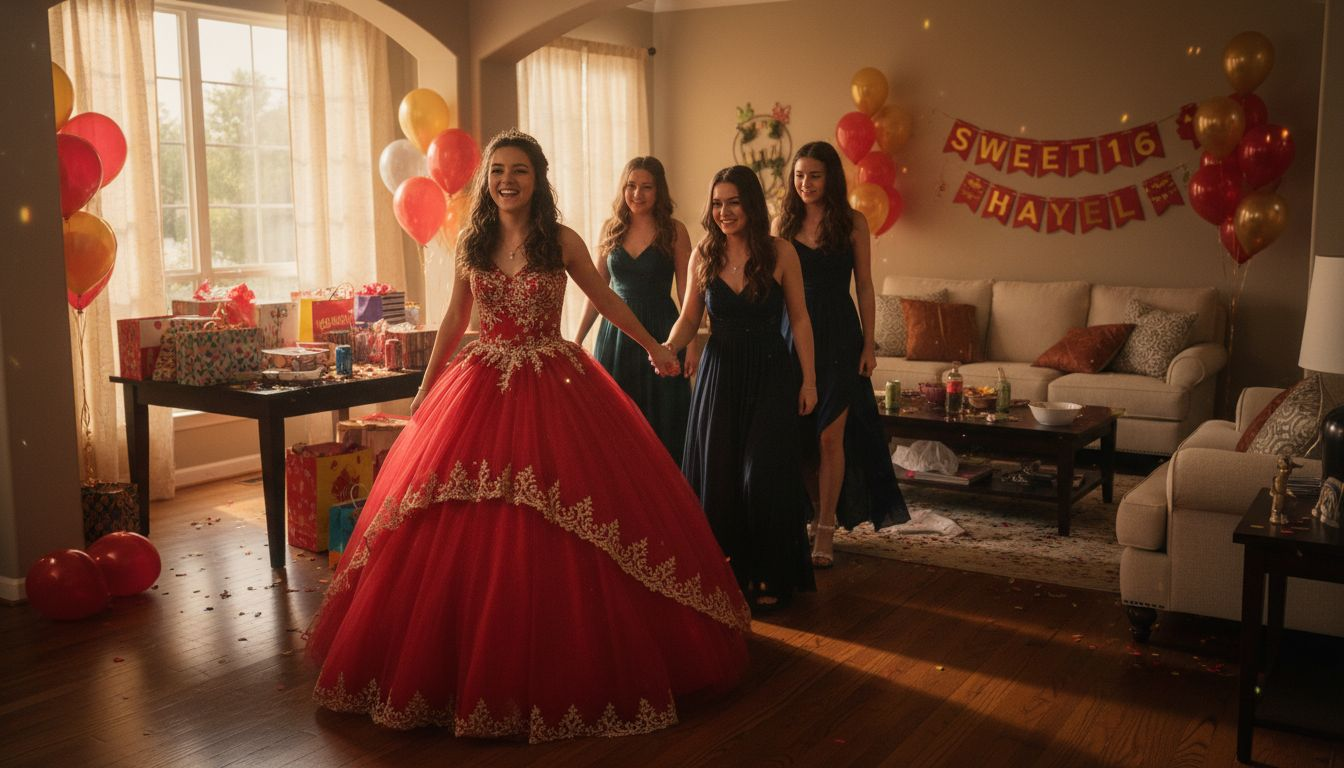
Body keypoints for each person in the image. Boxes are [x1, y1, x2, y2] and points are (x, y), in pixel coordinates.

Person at [305, 130, 750, 741]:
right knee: (457, 520)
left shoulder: (561, 242)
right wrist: (424, 392)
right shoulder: (473, 241)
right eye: (497, 172)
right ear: (487, 181)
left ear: (537, 178)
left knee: (574, 511)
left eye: (519, 170)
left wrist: (657, 347)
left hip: (553, 380)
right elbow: (455, 322)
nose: (507, 180)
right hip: (481, 382)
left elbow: (610, 300)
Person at [665, 165, 817, 612]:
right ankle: (729, 576)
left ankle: (771, 570)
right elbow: (690, 319)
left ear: (750, 204)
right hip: (720, 374)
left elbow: (801, 319)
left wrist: (809, 380)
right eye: (716, 204)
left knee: (763, 475)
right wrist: (667, 348)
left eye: (732, 202)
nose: (724, 212)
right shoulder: (703, 255)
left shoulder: (781, 252)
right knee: (721, 477)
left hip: (772, 372)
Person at [772, 141, 910, 568]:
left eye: (814, 175)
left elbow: (865, 286)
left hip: (838, 335)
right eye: (798, 175)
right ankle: (811, 515)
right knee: (798, 438)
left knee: (831, 435)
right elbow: (771, 284)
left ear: (830, 177)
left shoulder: (852, 222)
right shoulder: (782, 220)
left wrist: (869, 343)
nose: (805, 184)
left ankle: (826, 528)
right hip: (791, 335)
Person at [574, 156, 695, 458]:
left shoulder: (675, 231)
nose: (637, 194)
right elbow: (596, 289)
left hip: (663, 331)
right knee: (617, 425)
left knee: (664, 424)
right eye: (631, 186)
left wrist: (691, 344)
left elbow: (687, 291)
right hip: (615, 336)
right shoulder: (610, 228)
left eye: (646, 187)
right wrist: (576, 340)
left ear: (659, 192)